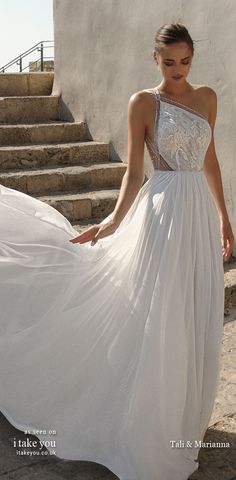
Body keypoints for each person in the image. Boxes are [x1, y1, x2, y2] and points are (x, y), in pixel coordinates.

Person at [0, 21, 234, 480]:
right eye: (169, 63)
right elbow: (133, 173)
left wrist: (225, 216)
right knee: (161, 316)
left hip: (199, 218)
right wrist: (111, 221)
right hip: (163, 214)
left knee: (191, 313)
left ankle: (181, 419)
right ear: (155, 59)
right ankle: (148, 427)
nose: (178, 71)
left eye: (185, 62)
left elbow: (209, 159)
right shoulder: (143, 103)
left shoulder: (206, 97)